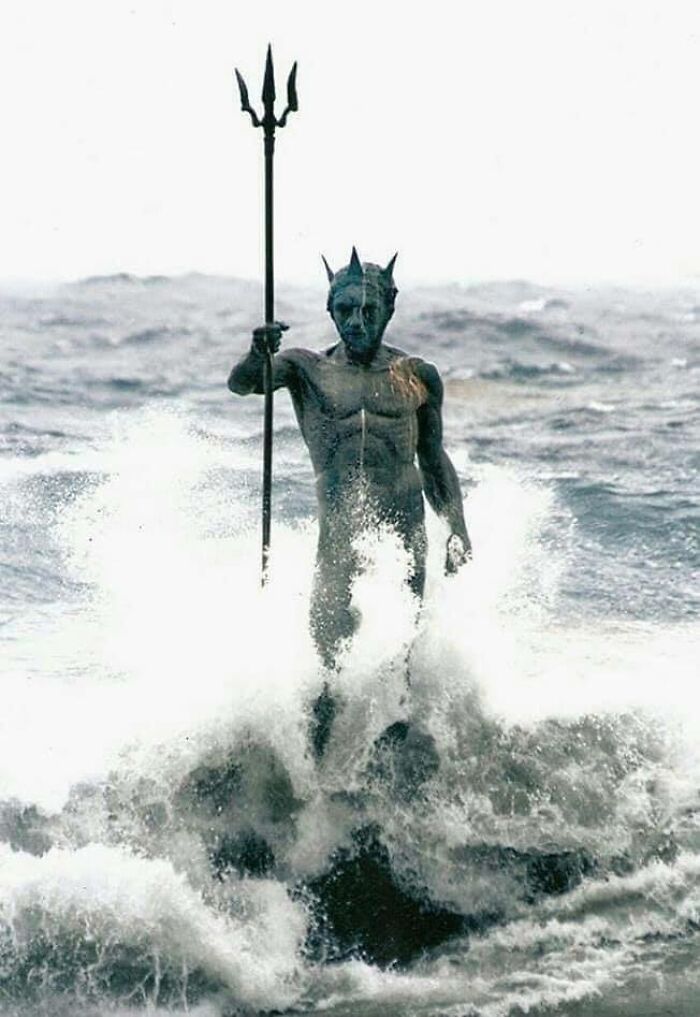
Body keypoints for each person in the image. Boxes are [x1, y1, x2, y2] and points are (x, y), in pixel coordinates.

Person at [228, 248, 471, 753]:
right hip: (339, 537)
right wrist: (258, 351)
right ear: (329, 310)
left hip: (405, 535)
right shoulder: (307, 369)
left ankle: (393, 766)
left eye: (368, 310)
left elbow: (434, 459)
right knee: (328, 671)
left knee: (400, 664)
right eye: (344, 310)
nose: (356, 322)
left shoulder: (417, 375)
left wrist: (457, 529)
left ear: (389, 309)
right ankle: (313, 773)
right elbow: (245, 384)